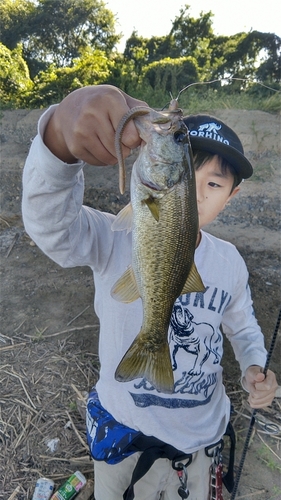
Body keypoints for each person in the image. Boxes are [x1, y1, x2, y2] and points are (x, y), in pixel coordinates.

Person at [22, 85, 278, 500]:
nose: (195, 192)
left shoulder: (229, 262)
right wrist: (57, 144)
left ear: (231, 197)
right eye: (188, 174)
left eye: (213, 183)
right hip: (124, 435)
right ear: (144, 158)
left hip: (200, 442)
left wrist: (253, 364)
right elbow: (51, 227)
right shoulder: (113, 236)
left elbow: (244, 326)